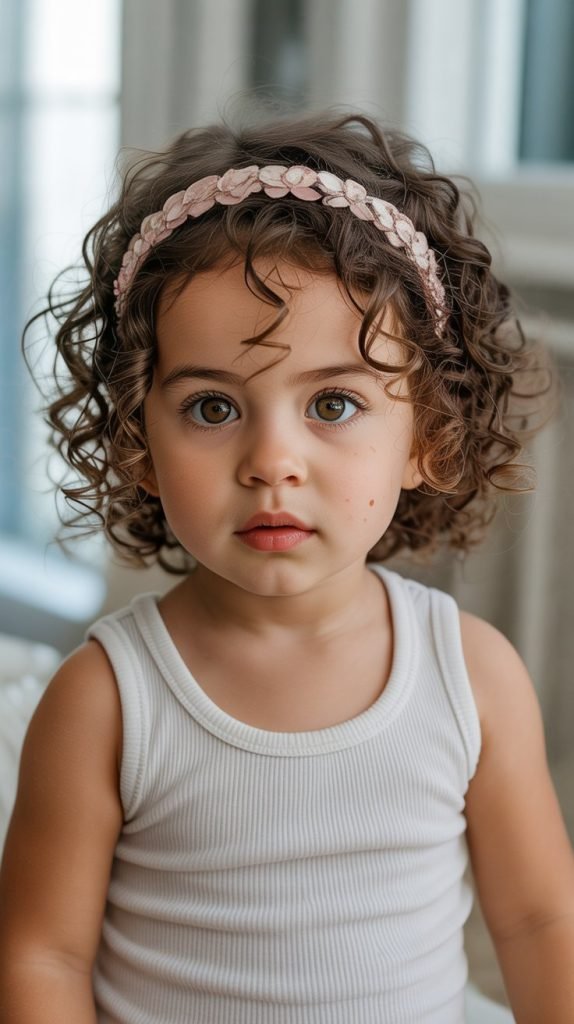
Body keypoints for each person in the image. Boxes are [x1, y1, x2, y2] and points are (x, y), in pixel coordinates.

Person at [0, 108, 573, 1024]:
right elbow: (42, 953)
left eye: (334, 404)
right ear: (137, 441)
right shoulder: (106, 700)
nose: (273, 461)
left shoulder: (472, 678)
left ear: (427, 433)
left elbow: (542, 922)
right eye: (214, 410)